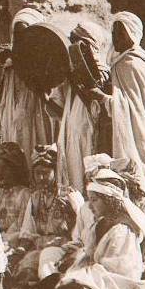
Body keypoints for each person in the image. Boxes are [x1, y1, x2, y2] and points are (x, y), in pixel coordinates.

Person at [32, 171, 145, 289]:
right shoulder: (100, 223)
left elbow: (120, 272)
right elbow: (90, 256)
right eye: (89, 200)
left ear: (108, 200)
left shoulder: (123, 230)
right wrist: (76, 262)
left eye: (95, 200)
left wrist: (78, 275)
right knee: (50, 284)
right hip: (98, 280)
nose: (90, 206)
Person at [89, 12, 145, 189]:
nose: (115, 38)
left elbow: (129, 108)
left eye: (120, 33)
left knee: (136, 168)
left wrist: (99, 96)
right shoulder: (122, 62)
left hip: (138, 127)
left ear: (132, 34)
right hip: (130, 126)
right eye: (113, 33)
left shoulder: (132, 64)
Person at [0, 8, 61, 169]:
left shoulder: (49, 62)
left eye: (26, 34)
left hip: (39, 126)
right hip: (13, 126)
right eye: (17, 35)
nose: (21, 40)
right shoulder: (8, 65)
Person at [10, 144, 84, 287]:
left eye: (45, 173)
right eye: (37, 173)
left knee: (47, 267)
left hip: (65, 248)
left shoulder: (71, 196)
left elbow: (83, 227)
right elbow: (28, 231)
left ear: (56, 172)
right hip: (40, 247)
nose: (41, 177)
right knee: (23, 273)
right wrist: (20, 250)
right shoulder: (35, 198)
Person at [57, 20, 111, 190]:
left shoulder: (102, 73)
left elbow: (95, 102)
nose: (72, 45)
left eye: (77, 41)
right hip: (71, 135)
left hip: (88, 135)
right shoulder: (70, 73)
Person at [0, 142, 33, 242]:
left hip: (17, 240)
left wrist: (6, 238)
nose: (0, 173)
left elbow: (23, 226)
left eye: (5, 168)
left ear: (15, 169)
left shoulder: (24, 195)